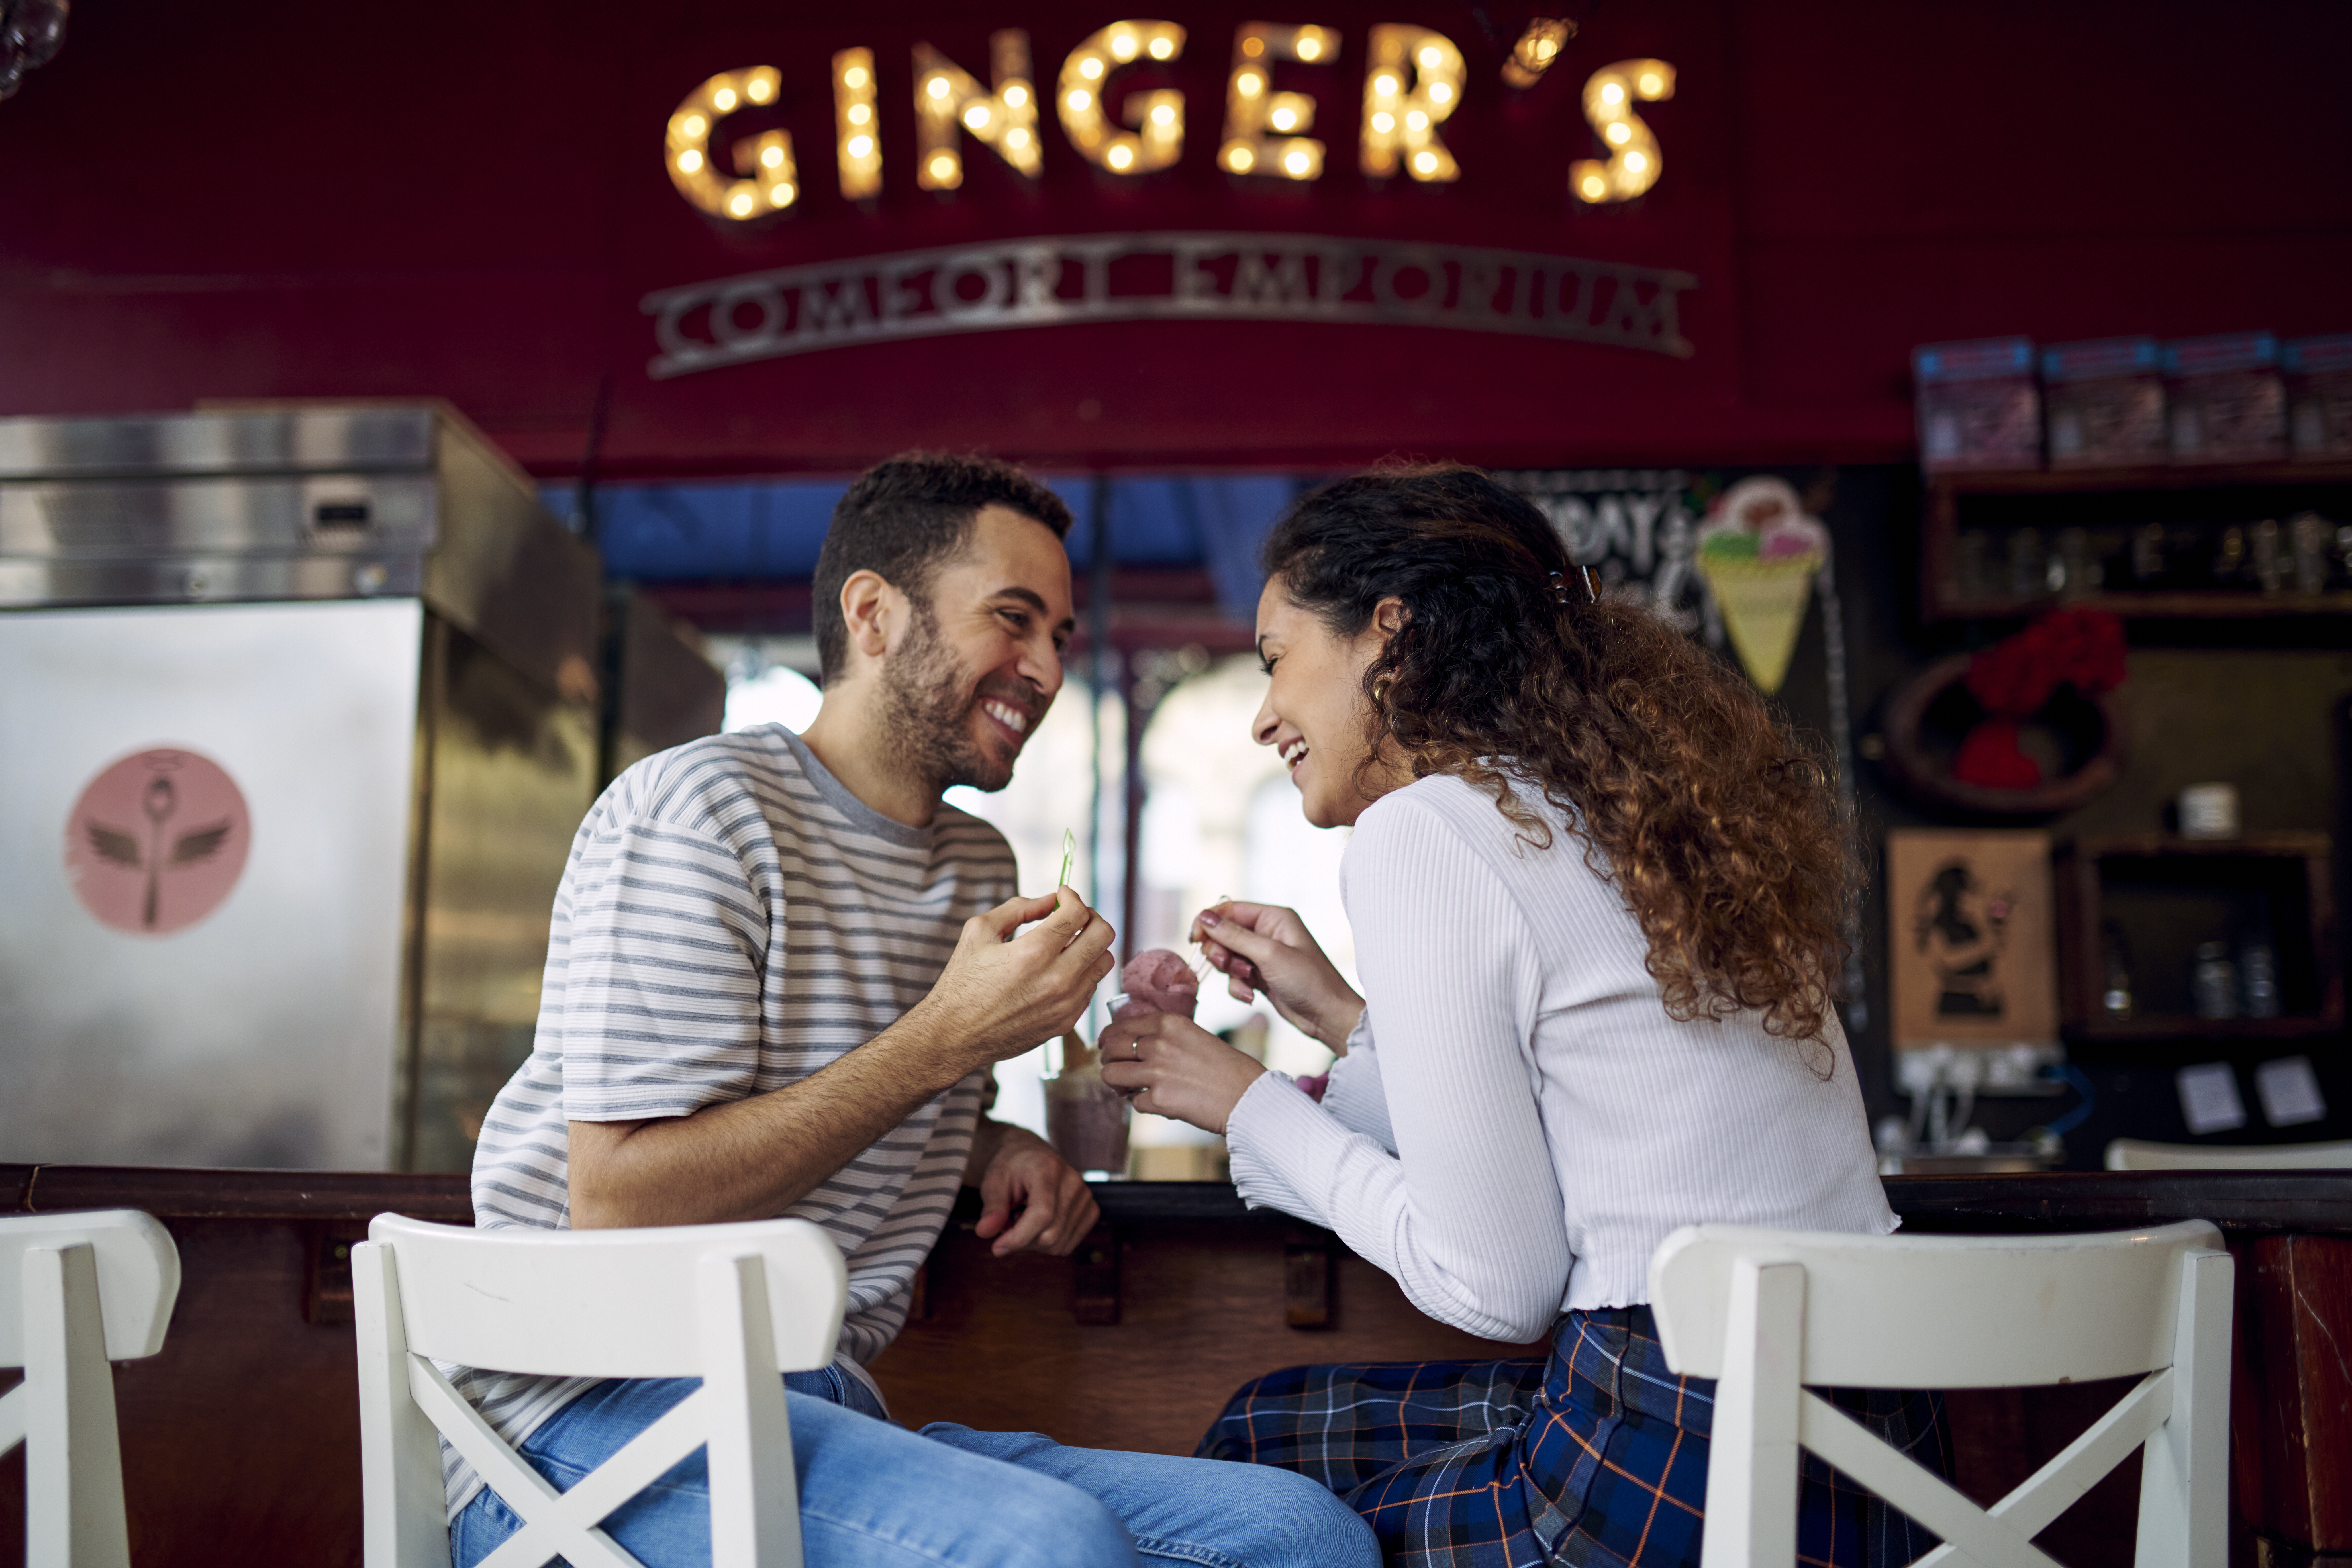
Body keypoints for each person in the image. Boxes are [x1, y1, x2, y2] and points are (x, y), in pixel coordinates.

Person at [454, 453, 1380, 1568]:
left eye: (1062, 637)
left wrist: (990, 1139)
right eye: (1013, 618)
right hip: (579, 1419)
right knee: (1056, 1548)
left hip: (828, 1408)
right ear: (873, 614)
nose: (1045, 668)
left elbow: (849, 1098)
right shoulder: (700, 811)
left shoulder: (976, 863)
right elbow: (621, 1200)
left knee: (1300, 1534)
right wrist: (948, 1041)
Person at [1099, 465, 1949, 1567]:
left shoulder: (1426, 832)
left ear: (1387, 637)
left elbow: (1495, 1284)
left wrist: (1246, 1103)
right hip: (1878, 1461)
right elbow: (1581, 1108)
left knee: (1256, 1475)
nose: (1265, 715)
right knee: (1274, 1426)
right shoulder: (1636, 815)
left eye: (1276, 661)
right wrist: (1352, 1023)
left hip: (1680, 1460)